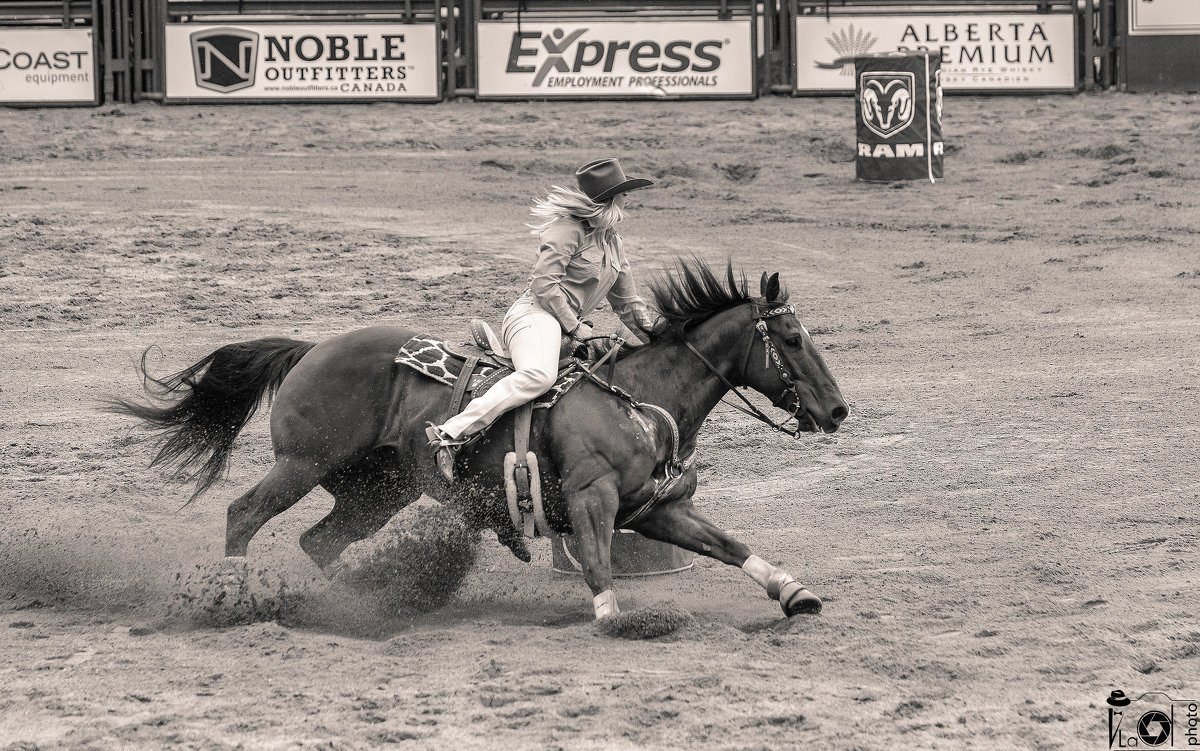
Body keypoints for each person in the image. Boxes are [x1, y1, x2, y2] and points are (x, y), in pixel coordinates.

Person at [425, 158, 657, 481]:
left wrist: (658, 334)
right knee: (539, 375)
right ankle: (449, 435)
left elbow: (628, 304)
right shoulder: (568, 229)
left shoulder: (613, 243)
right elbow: (544, 284)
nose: (629, 198)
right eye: (624, 192)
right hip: (535, 316)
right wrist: (575, 326)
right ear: (610, 199)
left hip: (563, 326)